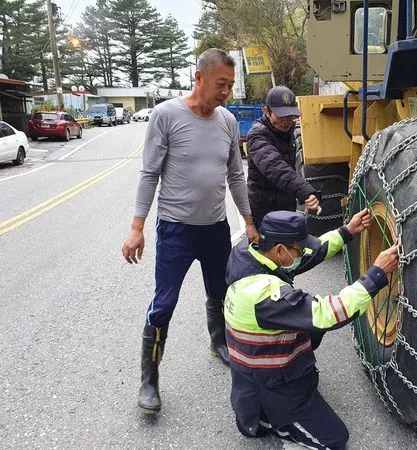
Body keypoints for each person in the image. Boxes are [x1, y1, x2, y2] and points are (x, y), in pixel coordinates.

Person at [121, 48, 260, 414]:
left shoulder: (228, 121)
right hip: (176, 230)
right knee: (163, 304)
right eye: (220, 84)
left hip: (216, 228)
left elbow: (234, 175)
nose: (226, 92)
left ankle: (218, 343)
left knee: (220, 293)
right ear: (198, 78)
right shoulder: (167, 115)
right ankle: (149, 380)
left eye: (230, 85)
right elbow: (149, 173)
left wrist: (247, 220)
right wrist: (137, 227)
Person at [224, 209, 398, 449]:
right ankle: (279, 423)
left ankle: (263, 409)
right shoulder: (264, 295)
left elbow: (310, 254)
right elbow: (329, 313)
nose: (302, 253)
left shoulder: (250, 254)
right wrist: (376, 275)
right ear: (279, 250)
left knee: (312, 326)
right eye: (297, 248)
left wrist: (347, 231)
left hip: (256, 366)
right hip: (272, 384)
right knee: (335, 439)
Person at [246, 85, 321, 229]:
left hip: (286, 205)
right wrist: (304, 191)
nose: (286, 121)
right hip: (264, 211)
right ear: (266, 111)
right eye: (281, 116)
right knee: (265, 250)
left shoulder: (290, 129)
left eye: (290, 116)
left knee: (289, 249)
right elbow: (276, 167)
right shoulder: (257, 135)